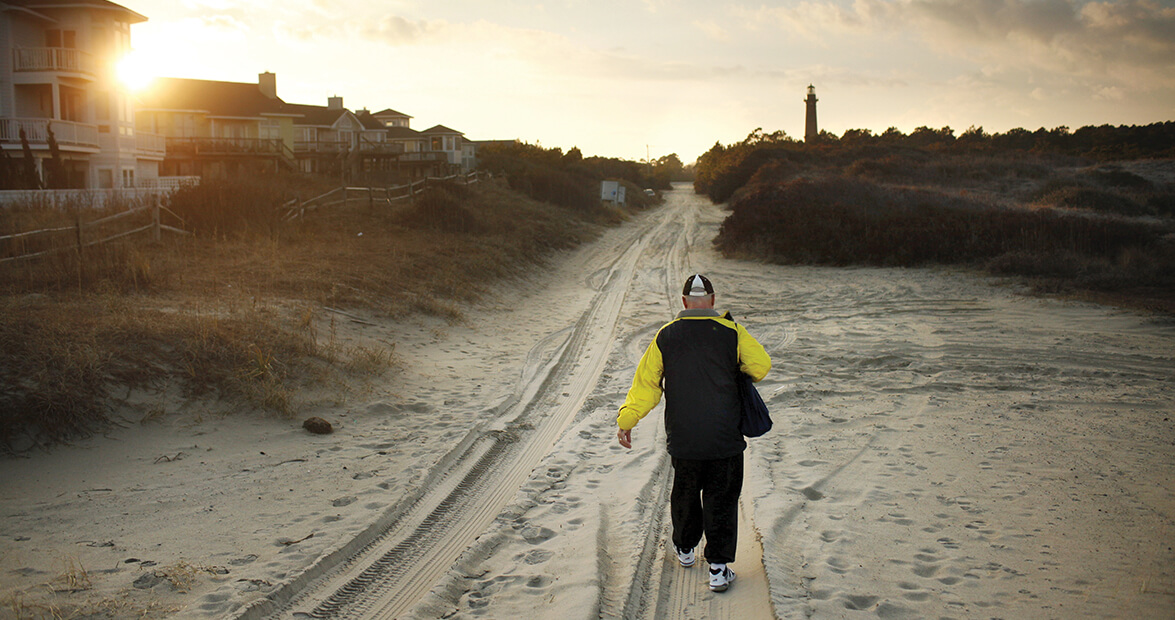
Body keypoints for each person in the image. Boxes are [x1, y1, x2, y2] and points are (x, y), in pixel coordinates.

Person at [616, 274, 772, 592]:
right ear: (712, 300)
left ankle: (685, 550)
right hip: (724, 437)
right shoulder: (732, 332)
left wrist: (628, 419)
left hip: (684, 438)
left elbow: (646, 384)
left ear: (684, 302)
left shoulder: (666, 335)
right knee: (722, 498)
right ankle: (717, 568)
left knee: (685, 493)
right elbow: (761, 366)